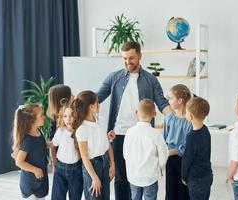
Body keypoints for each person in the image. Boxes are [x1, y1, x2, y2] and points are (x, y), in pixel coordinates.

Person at [97, 41, 171, 200]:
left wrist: (174, 117)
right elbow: (96, 97)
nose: (127, 62)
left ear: (139, 56)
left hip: (142, 135)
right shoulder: (114, 77)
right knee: (121, 177)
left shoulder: (151, 80)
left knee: (140, 177)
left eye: (131, 58)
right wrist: (77, 104)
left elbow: (161, 101)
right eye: (124, 58)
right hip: (118, 133)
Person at [73, 90, 115, 200]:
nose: (99, 104)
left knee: (106, 196)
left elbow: (107, 143)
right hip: (92, 166)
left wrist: (112, 164)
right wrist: (94, 177)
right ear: (91, 106)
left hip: (105, 162)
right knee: (94, 197)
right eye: (97, 102)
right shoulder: (82, 129)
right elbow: (85, 157)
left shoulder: (101, 120)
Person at [123, 99, 168, 200]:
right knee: (150, 197)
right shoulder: (156, 134)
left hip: (133, 175)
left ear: (136, 112)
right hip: (150, 176)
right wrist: (160, 167)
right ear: (154, 114)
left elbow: (125, 153)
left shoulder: (129, 132)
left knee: (135, 197)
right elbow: (164, 154)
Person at [12, 104, 49, 199]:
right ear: (31, 120)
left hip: (40, 181)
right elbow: (19, 162)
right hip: (31, 184)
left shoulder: (38, 132)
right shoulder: (28, 140)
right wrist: (35, 170)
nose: (44, 117)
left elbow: (38, 146)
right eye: (41, 115)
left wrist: (49, 144)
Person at [162, 84, 192, 200]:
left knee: (183, 191)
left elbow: (189, 146)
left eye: (170, 98)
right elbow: (163, 139)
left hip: (183, 160)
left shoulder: (190, 121)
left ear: (179, 100)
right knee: (170, 189)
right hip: (170, 159)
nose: (168, 101)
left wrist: (176, 151)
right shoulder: (169, 118)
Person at [181, 97, 213, 200]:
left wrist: (184, 176)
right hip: (207, 175)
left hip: (196, 178)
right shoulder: (205, 129)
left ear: (190, 116)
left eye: (186, 112)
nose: (185, 114)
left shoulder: (191, 136)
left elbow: (187, 159)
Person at [50, 102, 83, 200]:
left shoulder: (80, 131)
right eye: (65, 116)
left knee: (75, 197)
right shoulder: (60, 131)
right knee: (57, 197)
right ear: (62, 117)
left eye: (71, 116)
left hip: (76, 170)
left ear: (76, 116)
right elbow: (52, 144)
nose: (68, 119)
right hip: (60, 169)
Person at [47, 84, 74, 166]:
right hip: (62, 162)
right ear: (64, 100)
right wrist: (55, 164)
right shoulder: (55, 122)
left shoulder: (73, 115)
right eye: (71, 94)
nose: (73, 96)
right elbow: (52, 146)